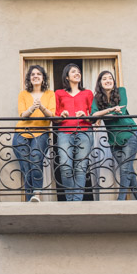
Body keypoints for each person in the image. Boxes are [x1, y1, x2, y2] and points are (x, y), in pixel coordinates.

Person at [91, 70, 137, 200]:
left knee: (125, 169)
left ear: (113, 81)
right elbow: (93, 115)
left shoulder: (121, 91)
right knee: (128, 170)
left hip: (130, 134)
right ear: (100, 83)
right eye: (104, 79)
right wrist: (109, 111)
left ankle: (120, 200)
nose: (108, 80)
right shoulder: (97, 98)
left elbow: (121, 112)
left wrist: (101, 116)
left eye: (110, 78)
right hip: (114, 140)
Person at [15, 65, 56, 202]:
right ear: (29, 78)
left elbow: (51, 115)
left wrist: (41, 107)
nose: (35, 76)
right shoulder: (23, 94)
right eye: (32, 74)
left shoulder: (50, 94)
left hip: (41, 133)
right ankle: (30, 199)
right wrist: (32, 107)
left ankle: (37, 195)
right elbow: (22, 115)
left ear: (43, 78)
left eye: (38, 74)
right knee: (26, 166)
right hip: (21, 133)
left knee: (35, 160)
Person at [54, 63, 94, 202]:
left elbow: (93, 117)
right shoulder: (59, 93)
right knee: (65, 166)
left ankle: (76, 201)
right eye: (73, 72)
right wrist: (61, 115)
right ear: (67, 76)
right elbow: (55, 117)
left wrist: (85, 115)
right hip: (64, 132)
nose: (77, 73)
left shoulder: (87, 93)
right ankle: (70, 200)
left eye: (79, 72)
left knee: (80, 168)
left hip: (84, 132)